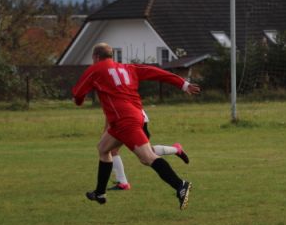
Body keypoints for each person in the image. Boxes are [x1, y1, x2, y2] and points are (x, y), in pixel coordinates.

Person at [72, 42, 200, 208]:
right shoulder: (127, 67)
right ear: (112, 56)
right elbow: (156, 72)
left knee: (148, 157)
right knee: (103, 148)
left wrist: (79, 100)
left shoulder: (95, 69)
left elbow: (78, 95)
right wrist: (183, 84)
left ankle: (180, 185)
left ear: (95, 57)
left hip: (125, 120)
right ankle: (100, 192)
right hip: (133, 116)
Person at [107, 109, 189, 191]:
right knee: (112, 149)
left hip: (134, 120)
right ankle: (122, 183)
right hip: (126, 120)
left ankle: (176, 149)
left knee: (147, 155)